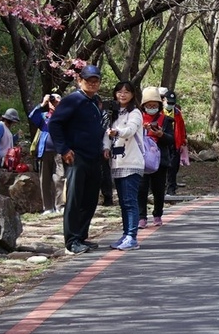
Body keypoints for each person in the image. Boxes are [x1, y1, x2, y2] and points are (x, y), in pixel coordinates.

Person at [48, 64, 108, 255]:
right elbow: (55, 124)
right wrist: (64, 149)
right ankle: (71, 241)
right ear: (80, 80)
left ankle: (81, 236)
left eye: (96, 80)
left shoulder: (95, 101)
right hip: (76, 157)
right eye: (89, 80)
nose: (92, 83)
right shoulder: (73, 100)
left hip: (94, 156)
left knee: (90, 199)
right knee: (74, 199)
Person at [105, 81, 145, 250]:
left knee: (130, 201)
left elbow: (130, 130)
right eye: (119, 91)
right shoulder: (113, 114)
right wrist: (106, 148)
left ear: (133, 95)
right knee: (123, 202)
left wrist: (118, 132)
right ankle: (126, 234)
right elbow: (106, 134)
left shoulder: (135, 113)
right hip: (118, 163)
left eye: (126, 92)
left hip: (132, 162)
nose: (122, 94)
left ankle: (132, 237)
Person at [137, 86, 176, 228]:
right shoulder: (138, 118)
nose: (151, 108)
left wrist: (161, 134)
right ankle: (141, 217)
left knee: (158, 189)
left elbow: (171, 140)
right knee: (141, 189)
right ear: (143, 106)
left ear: (159, 105)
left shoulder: (165, 120)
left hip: (160, 160)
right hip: (141, 158)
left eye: (154, 105)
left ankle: (157, 214)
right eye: (149, 105)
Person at [28, 93, 63, 214]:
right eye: (52, 101)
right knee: (45, 179)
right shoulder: (44, 116)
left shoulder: (64, 116)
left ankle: (60, 205)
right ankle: (48, 207)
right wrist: (42, 104)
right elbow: (32, 116)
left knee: (60, 177)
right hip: (44, 151)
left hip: (59, 150)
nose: (54, 103)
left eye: (57, 100)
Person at [160, 88, 188, 195]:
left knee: (174, 167)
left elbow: (181, 128)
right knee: (162, 167)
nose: (170, 105)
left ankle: (171, 188)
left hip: (175, 143)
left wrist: (183, 141)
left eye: (172, 103)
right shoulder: (159, 112)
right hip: (162, 143)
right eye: (169, 102)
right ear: (163, 100)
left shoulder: (177, 113)